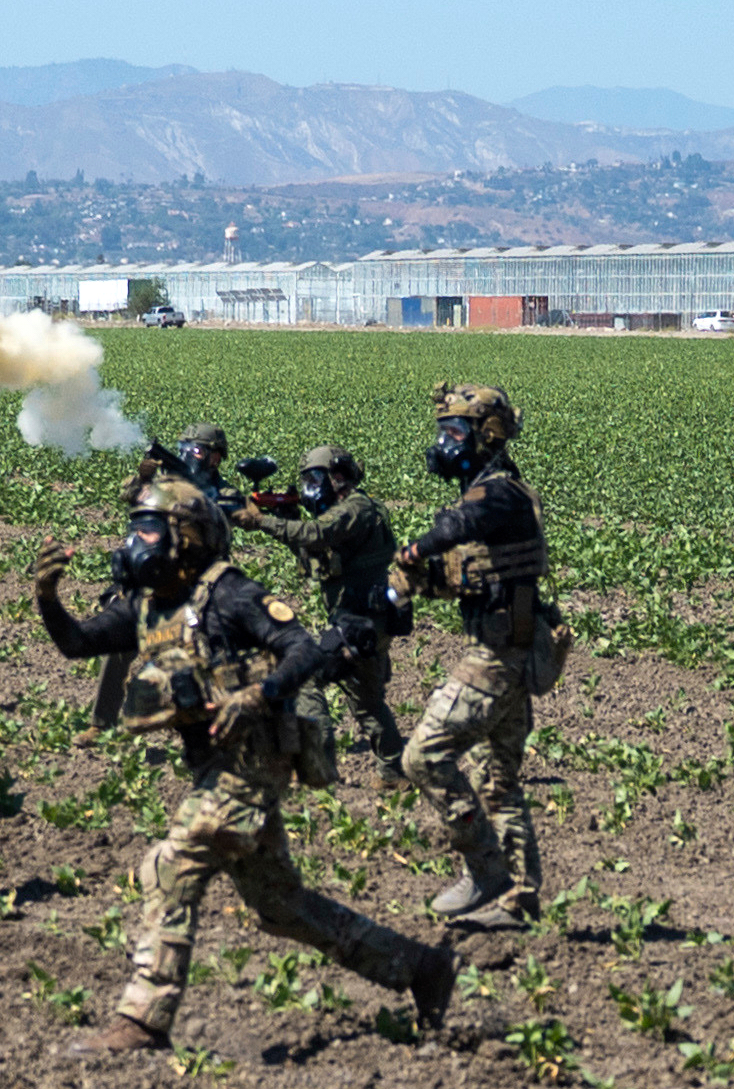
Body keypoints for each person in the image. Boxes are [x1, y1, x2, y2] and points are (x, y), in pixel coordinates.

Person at [38, 474, 457, 1053]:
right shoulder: (149, 606)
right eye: (135, 531)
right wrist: (47, 598)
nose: (137, 544)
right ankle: (418, 967)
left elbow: (303, 648)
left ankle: (142, 1019)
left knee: (170, 865)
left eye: (150, 531)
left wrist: (257, 695)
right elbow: (78, 643)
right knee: (281, 907)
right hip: (213, 765)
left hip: (254, 760)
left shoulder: (230, 593)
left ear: (186, 536)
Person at [392, 383, 558, 929]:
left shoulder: (500, 494)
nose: (444, 443)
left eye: (455, 432)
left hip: (498, 657)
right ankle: (518, 901)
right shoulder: (483, 495)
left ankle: (485, 869)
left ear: (487, 437)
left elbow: (458, 527)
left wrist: (418, 548)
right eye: (442, 432)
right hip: (508, 649)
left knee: (422, 756)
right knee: (498, 784)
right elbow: (475, 573)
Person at [241, 443, 406, 759]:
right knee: (367, 701)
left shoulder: (357, 508)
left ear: (340, 476)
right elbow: (313, 556)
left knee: (304, 677)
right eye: (308, 483)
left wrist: (261, 520)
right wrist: (287, 519)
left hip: (361, 621)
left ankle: (318, 759)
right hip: (366, 620)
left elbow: (315, 534)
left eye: (316, 481)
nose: (310, 491)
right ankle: (393, 771)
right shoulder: (346, 514)